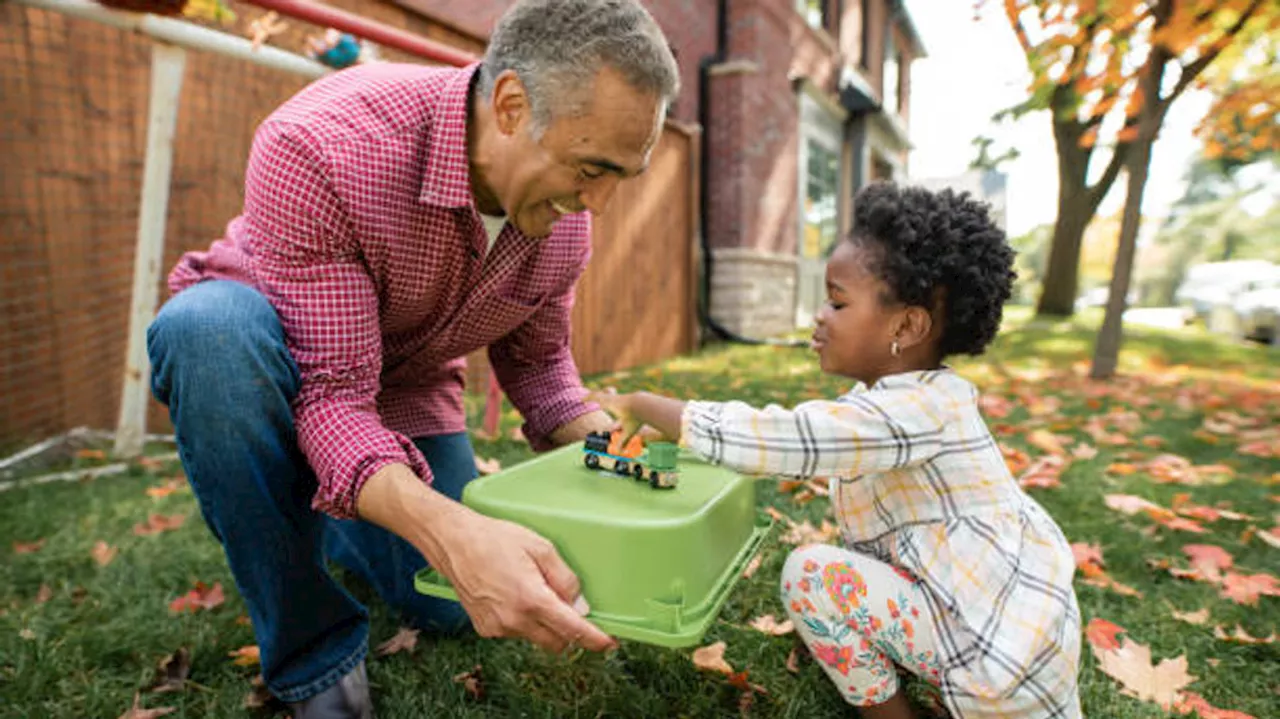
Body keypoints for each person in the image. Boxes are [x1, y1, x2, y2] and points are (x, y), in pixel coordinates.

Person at [144, 1, 679, 716]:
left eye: (624, 177)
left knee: (457, 604)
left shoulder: (564, 222)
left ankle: (320, 501)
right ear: (512, 105)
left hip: (404, 386)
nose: (600, 206)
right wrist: (453, 529)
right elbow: (333, 397)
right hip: (272, 354)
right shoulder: (323, 145)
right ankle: (313, 656)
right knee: (204, 334)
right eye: (591, 169)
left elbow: (544, 372)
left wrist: (638, 462)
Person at [590, 183, 1082, 719]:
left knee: (812, 577)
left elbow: (788, 440)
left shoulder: (914, 413)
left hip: (996, 657)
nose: (820, 315)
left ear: (907, 326)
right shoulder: (905, 402)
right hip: (998, 625)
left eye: (838, 301)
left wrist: (659, 409)